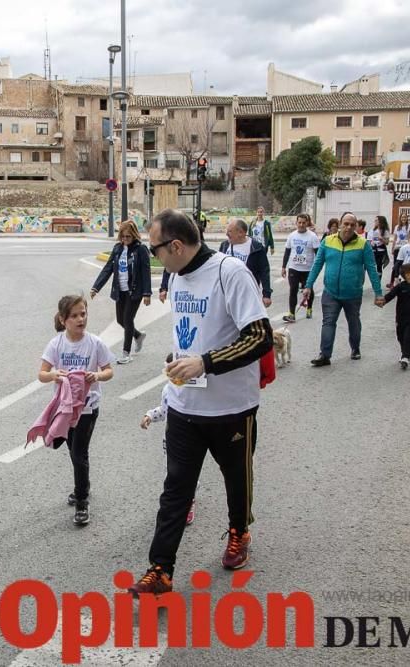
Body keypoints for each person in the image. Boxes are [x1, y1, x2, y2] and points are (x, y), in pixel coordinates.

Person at [127, 209, 273, 596]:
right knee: (175, 488)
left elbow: (260, 338)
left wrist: (205, 363)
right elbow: (189, 335)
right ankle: (160, 569)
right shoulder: (176, 277)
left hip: (231, 409)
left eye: (154, 248)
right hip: (184, 407)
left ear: (175, 245)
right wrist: (178, 361)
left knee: (236, 481)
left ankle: (239, 531)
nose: (153, 256)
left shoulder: (230, 273)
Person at [38, 295, 115, 525]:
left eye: (83, 313)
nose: (81, 318)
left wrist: (97, 375)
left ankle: (82, 500)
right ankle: (83, 486)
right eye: (74, 315)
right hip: (65, 409)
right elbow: (41, 374)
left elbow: (109, 370)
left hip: (88, 408)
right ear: (63, 320)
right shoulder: (56, 344)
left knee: (78, 454)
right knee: (74, 450)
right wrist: (54, 375)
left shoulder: (95, 343)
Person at [303, 212, 385, 366]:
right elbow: (317, 264)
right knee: (328, 322)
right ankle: (325, 355)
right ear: (340, 224)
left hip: (352, 294)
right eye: (345, 223)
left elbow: (372, 269)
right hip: (331, 292)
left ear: (356, 226)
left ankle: (355, 348)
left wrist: (378, 293)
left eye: (352, 225)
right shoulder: (327, 241)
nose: (348, 227)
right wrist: (308, 285)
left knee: (353, 322)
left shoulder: (363, 244)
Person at [141, 357, 197, 526]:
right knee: (172, 472)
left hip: (190, 437)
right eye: (170, 372)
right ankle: (179, 501)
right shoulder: (167, 390)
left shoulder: (193, 389)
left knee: (187, 473)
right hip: (171, 438)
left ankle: (189, 501)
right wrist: (150, 415)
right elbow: (164, 410)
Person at [91, 221, 152, 364]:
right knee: (120, 320)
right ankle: (138, 336)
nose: (125, 239)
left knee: (128, 319)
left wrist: (147, 293)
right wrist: (96, 287)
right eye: (123, 236)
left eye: (128, 237)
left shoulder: (141, 250)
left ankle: (126, 353)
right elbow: (108, 268)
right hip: (120, 290)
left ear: (134, 235)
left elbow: (146, 272)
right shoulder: (117, 248)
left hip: (134, 290)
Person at [219, 219, 273, 307]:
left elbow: (264, 271)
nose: (226, 234)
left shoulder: (256, 247)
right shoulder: (224, 246)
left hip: (249, 294)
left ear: (241, 232)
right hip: (227, 293)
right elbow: (218, 269)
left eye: (230, 231)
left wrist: (266, 295)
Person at [280, 213, 319, 322]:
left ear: (307, 223)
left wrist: (316, 268)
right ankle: (292, 314)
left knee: (309, 289)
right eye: (299, 222)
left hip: (307, 269)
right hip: (293, 268)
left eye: (303, 222)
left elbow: (318, 254)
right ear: (296, 223)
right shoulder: (292, 235)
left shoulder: (312, 236)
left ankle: (309, 308)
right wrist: (283, 267)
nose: (301, 225)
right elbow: (287, 252)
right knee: (293, 290)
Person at [389, 212, 410, 288]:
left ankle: (404, 281)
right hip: (397, 248)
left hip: (405, 248)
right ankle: (395, 280)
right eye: (402, 217)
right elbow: (395, 238)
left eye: (405, 217)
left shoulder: (409, 227)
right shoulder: (397, 227)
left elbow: (409, 238)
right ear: (400, 218)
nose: (403, 219)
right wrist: (392, 248)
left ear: (407, 218)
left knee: (404, 265)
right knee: (396, 265)